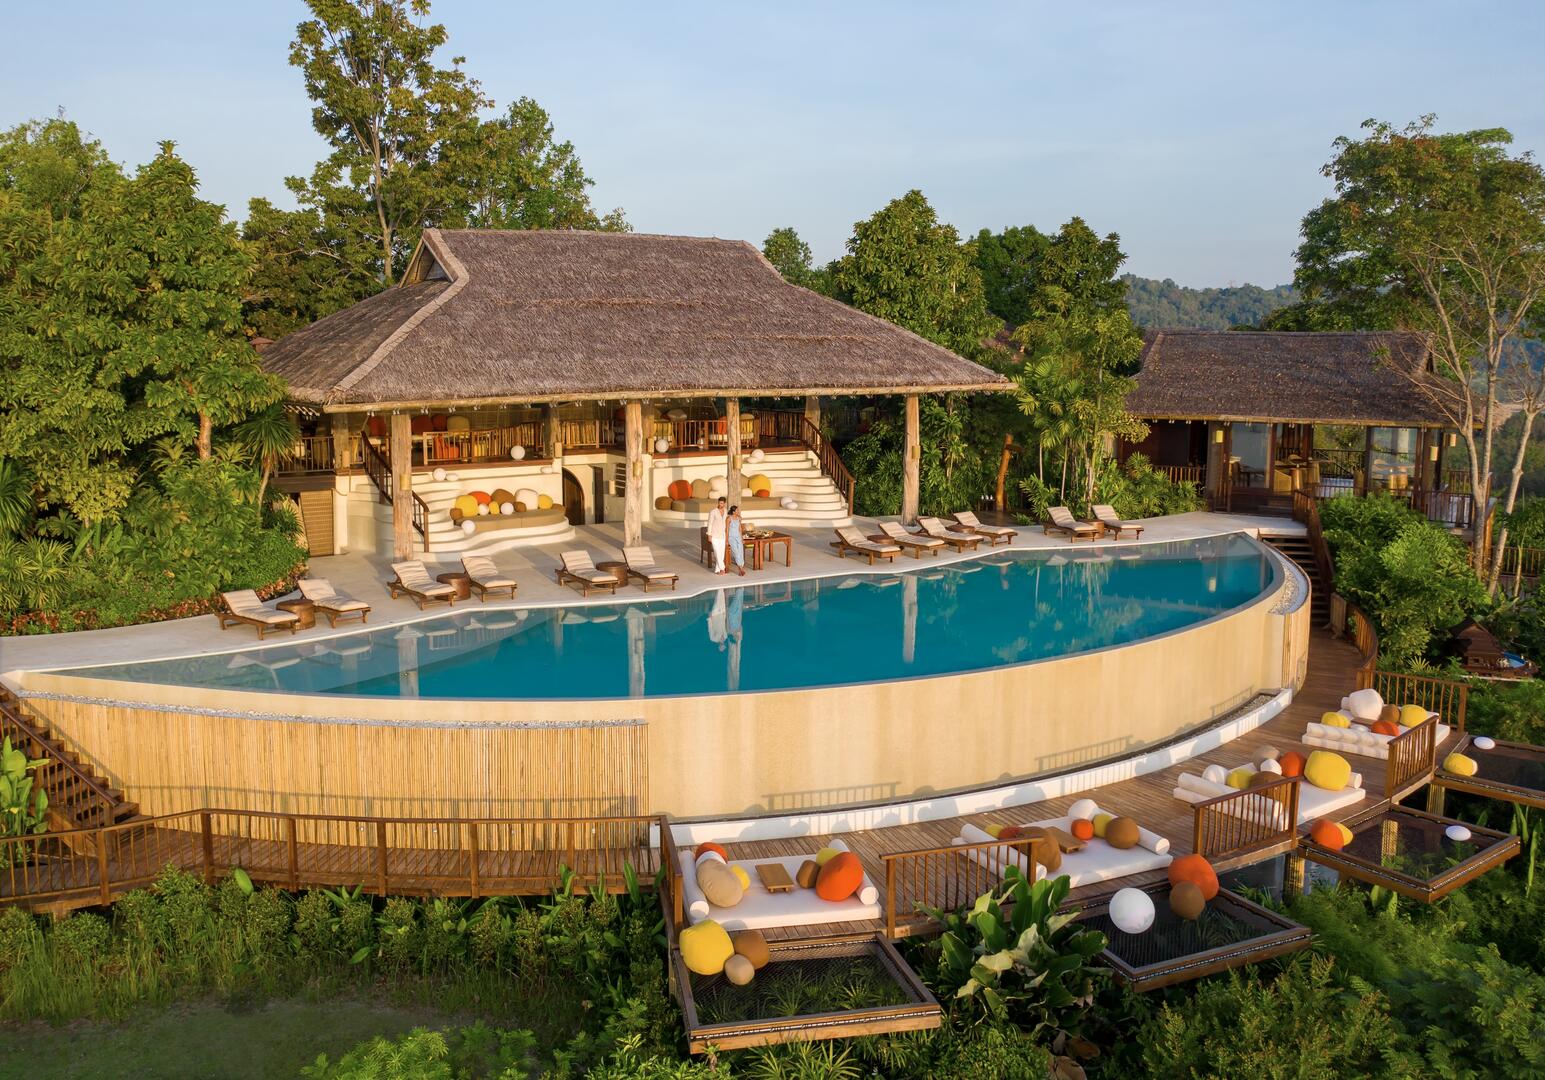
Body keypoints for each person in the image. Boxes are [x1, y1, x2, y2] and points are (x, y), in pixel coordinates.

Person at [706, 496, 728, 574]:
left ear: (724, 503)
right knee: (716, 552)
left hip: (723, 535)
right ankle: (722, 568)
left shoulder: (726, 511)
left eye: (722, 503)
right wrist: (709, 535)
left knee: (721, 553)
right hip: (714, 535)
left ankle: (717, 570)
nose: (720, 504)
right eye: (719, 503)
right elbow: (710, 523)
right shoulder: (713, 512)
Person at [725, 505, 747, 576]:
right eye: (737, 510)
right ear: (733, 512)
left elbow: (740, 529)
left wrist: (742, 538)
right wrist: (726, 540)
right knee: (736, 553)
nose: (738, 511)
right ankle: (741, 569)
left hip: (738, 537)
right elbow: (727, 530)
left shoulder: (739, 518)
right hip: (731, 538)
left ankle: (741, 568)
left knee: (741, 552)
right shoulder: (728, 518)